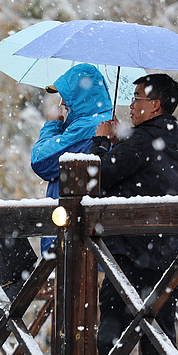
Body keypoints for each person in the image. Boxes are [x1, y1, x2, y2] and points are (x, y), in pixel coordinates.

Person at [90, 73, 178, 355]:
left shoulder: (142, 140)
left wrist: (101, 142)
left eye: (136, 98)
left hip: (131, 251)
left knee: (113, 333)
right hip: (169, 254)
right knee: (160, 335)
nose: (131, 105)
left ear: (155, 105)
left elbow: (95, 179)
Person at [31, 64, 112, 256]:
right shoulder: (99, 122)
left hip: (72, 240)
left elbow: (41, 161)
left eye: (66, 97)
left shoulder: (85, 127)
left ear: (80, 97)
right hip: (87, 238)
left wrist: (53, 124)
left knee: (73, 284)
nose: (63, 103)